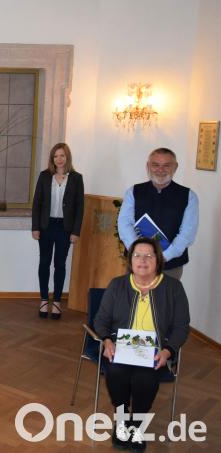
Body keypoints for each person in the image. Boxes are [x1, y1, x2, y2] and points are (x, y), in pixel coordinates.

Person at [94, 237, 190, 451]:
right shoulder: (117, 285)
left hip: (156, 351)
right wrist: (108, 340)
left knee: (144, 380)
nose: (142, 260)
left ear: (158, 260)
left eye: (149, 255)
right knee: (117, 373)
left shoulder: (173, 288)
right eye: (137, 255)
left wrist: (168, 351)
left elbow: (181, 327)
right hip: (121, 348)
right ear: (130, 259)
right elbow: (100, 320)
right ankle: (121, 421)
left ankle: (136, 425)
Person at [117, 148, 199, 280]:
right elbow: (124, 224)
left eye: (166, 165)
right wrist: (140, 254)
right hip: (137, 262)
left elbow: (187, 233)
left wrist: (163, 256)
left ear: (175, 167)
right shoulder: (134, 191)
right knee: (134, 299)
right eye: (155, 165)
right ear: (148, 166)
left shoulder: (189, 196)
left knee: (165, 300)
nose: (160, 170)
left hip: (170, 265)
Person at [31, 143, 84, 319]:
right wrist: (35, 227)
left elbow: (79, 207)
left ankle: (58, 302)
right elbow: (37, 203)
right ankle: (44, 300)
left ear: (67, 157)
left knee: (60, 264)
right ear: (52, 159)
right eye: (55, 156)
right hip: (46, 226)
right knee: (44, 262)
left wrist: (75, 231)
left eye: (62, 155)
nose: (59, 159)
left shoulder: (76, 178)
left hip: (65, 228)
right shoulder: (45, 176)